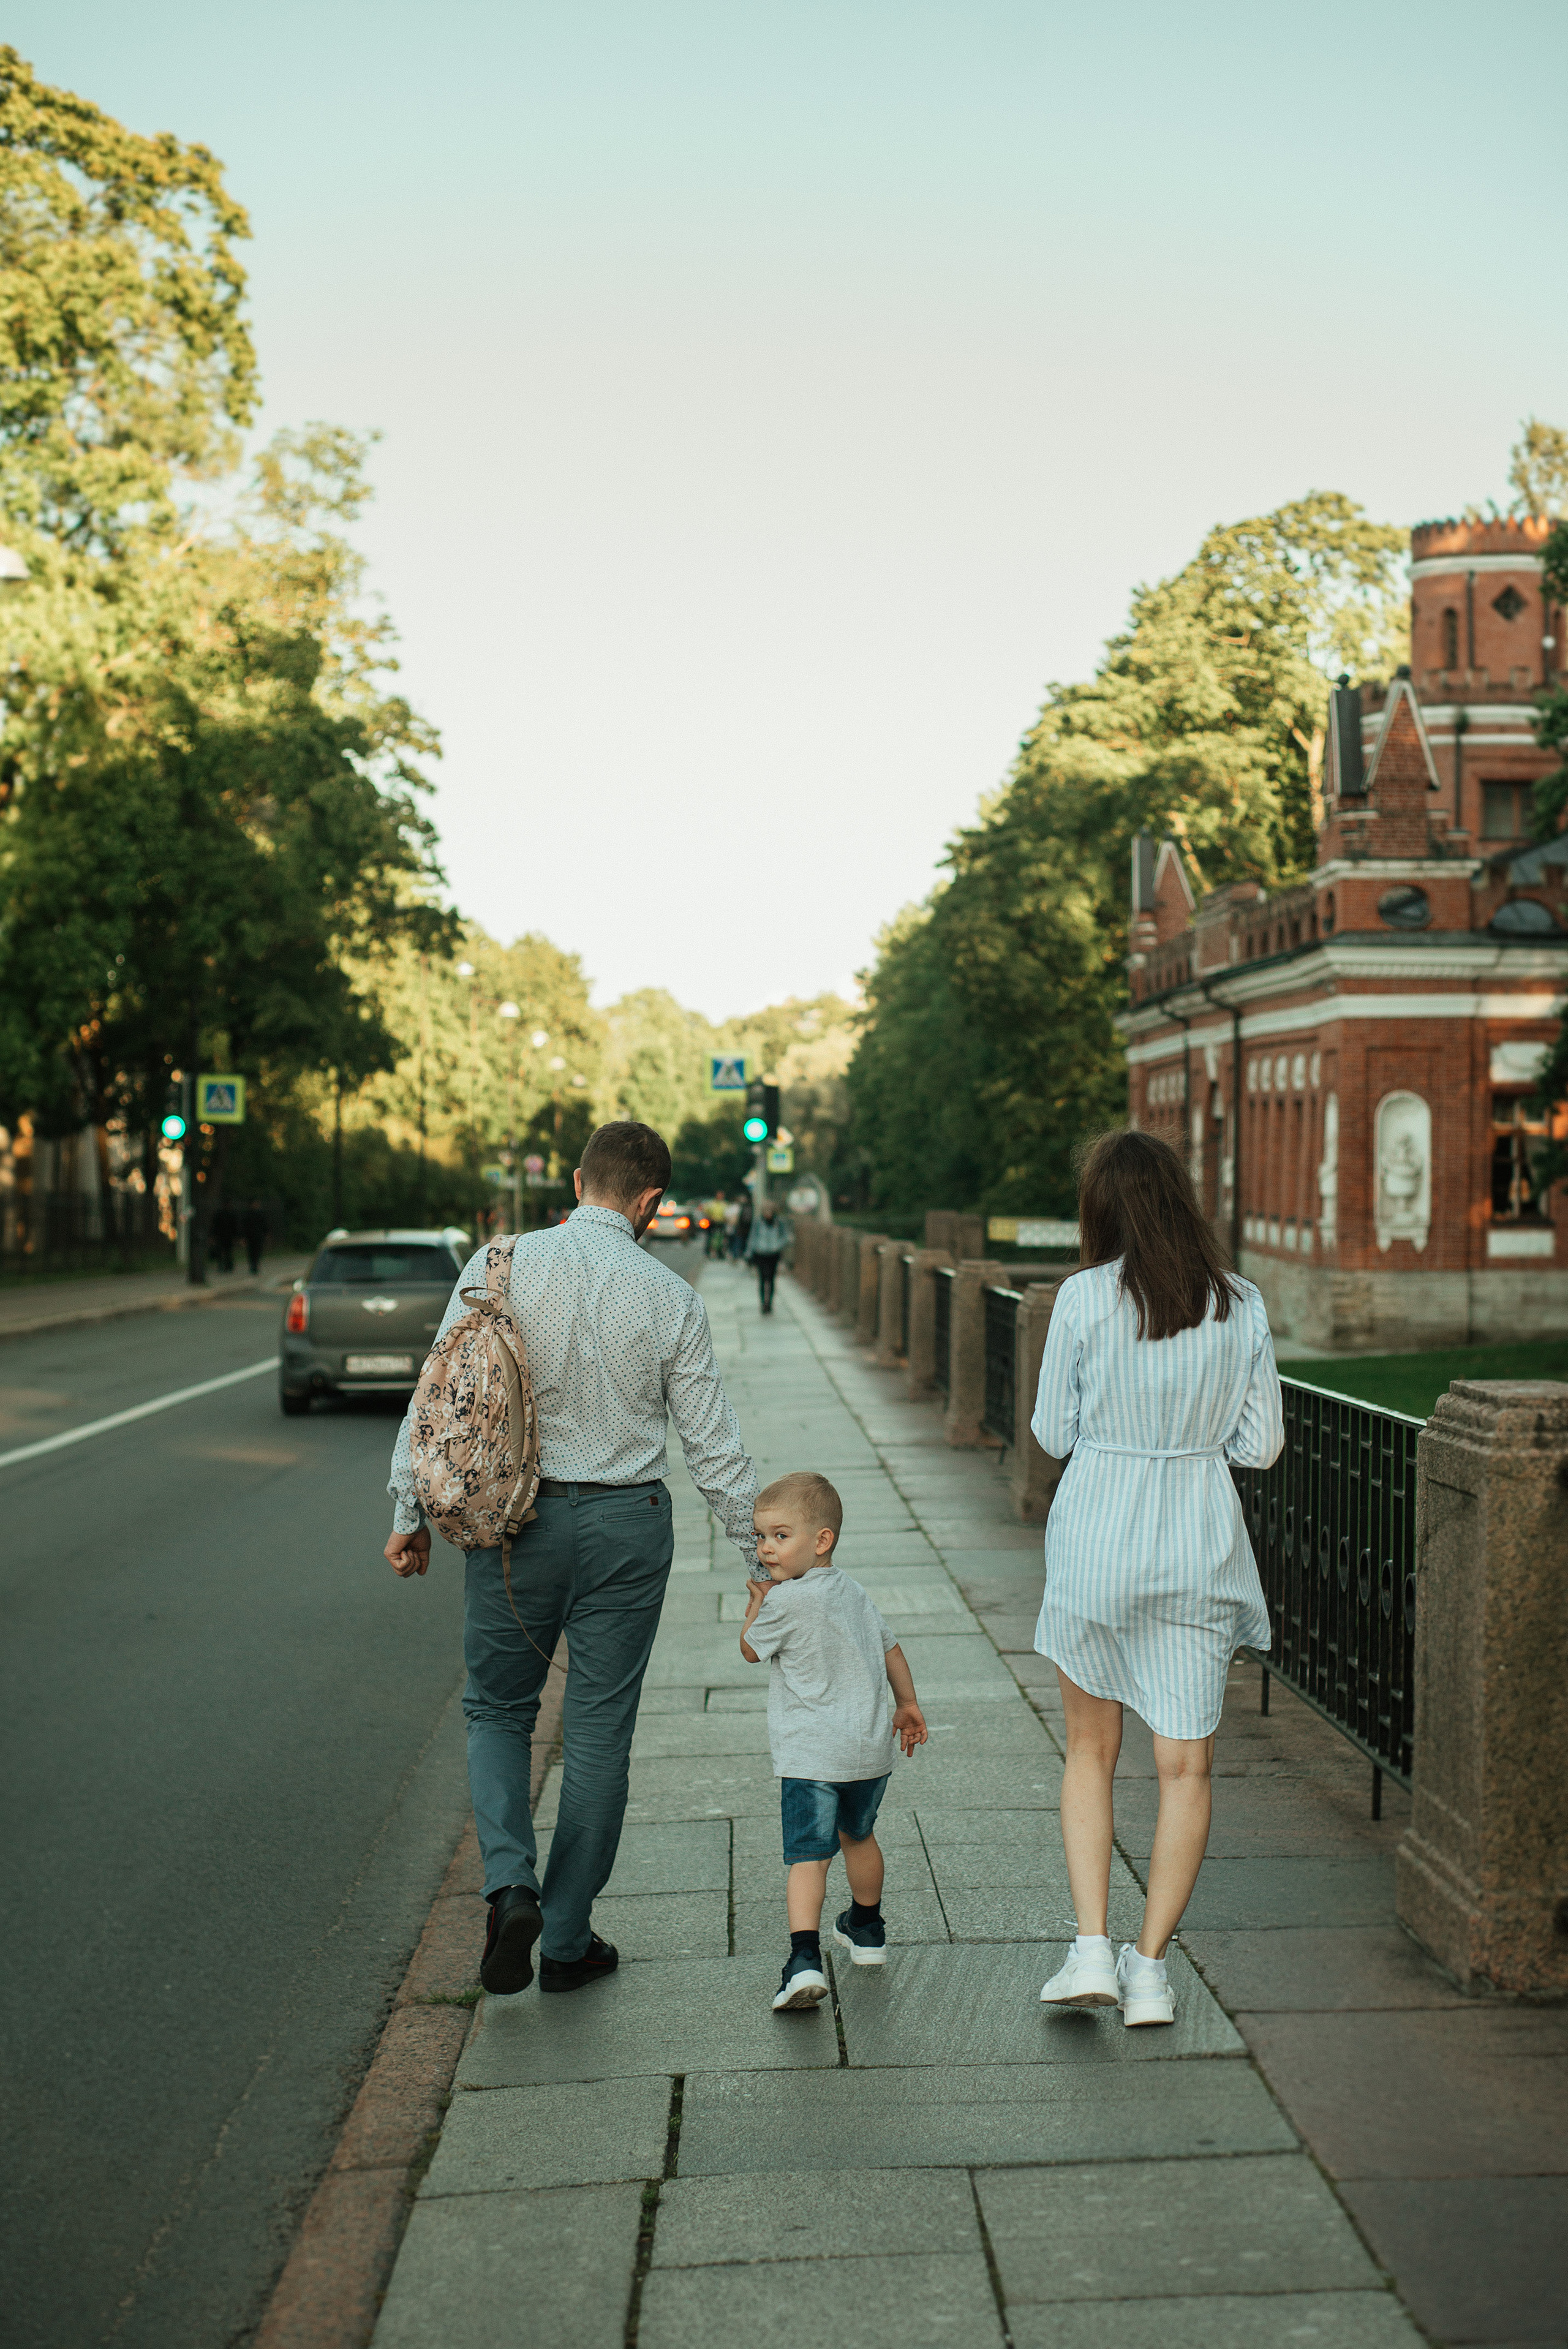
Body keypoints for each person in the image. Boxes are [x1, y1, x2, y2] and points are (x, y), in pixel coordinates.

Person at [384, 1121, 760, 1999]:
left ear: (577, 1179)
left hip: (515, 1522)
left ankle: (511, 1885)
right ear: (651, 1202)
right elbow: (714, 1449)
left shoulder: (496, 1264)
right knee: (598, 1731)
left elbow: (437, 1394)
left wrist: (409, 1509)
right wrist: (762, 1558)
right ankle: (567, 1937)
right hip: (629, 1526)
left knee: (498, 1708)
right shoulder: (670, 1296)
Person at [1032, 1129, 1283, 2027]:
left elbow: (1053, 1433)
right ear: (1180, 1197)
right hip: (1196, 1540)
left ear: (1102, 1204)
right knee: (1186, 1767)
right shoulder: (1242, 1302)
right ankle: (1149, 1971)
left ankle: (1090, 1946)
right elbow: (1261, 1443)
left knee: (1090, 1749)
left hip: (1099, 1533)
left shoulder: (1084, 1297)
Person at [739, 1471, 927, 2012]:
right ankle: (867, 1929)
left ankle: (802, 1961)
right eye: (760, 1537)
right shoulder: (856, 1591)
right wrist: (908, 1704)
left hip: (811, 1756)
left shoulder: (785, 1602)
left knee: (808, 1858)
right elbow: (891, 1649)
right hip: (869, 1752)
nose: (766, 1550)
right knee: (859, 1837)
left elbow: (751, 1650)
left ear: (821, 1540)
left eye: (779, 1536)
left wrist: (757, 1605)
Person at [745, 1197, 790, 1313]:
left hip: (774, 1254)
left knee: (771, 1279)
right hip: (760, 1253)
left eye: (770, 1211)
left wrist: (778, 1245)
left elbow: (786, 1237)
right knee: (762, 1279)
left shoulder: (779, 1222)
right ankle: (763, 1303)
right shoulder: (758, 1222)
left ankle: (769, 1302)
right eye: (766, 1211)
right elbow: (752, 1237)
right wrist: (750, 1252)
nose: (768, 1214)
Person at [241, 1198, 268, 1276]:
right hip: (251, 1236)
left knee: (257, 1251)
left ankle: (255, 1265)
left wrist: (266, 1234)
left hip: (258, 1236)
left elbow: (264, 1225)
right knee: (251, 1251)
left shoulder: (260, 1214)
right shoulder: (248, 1215)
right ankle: (253, 1265)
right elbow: (244, 1226)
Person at [208, 1201, 237, 1274]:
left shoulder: (230, 1214)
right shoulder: (221, 1214)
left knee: (227, 1252)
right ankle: (223, 1265)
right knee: (223, 1252)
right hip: (221, 1236)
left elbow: (235, 1227)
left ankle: (227, 1265)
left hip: (226, 1236)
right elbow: (215, 1226)